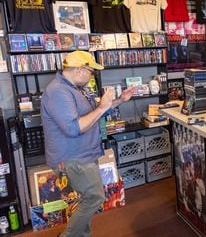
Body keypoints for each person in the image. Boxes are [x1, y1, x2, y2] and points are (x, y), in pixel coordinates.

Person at [41, 51, 136, 237]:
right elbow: (74, 128)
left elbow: (93, 114)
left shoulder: (73, 87)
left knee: (89, 198)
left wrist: (119, 100)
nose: (92, 75)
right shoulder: (58, 92)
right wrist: (102, 106)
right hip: (73, 157)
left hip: (83, 154)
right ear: (78, 70)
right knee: (94, 197)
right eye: (91, 71)